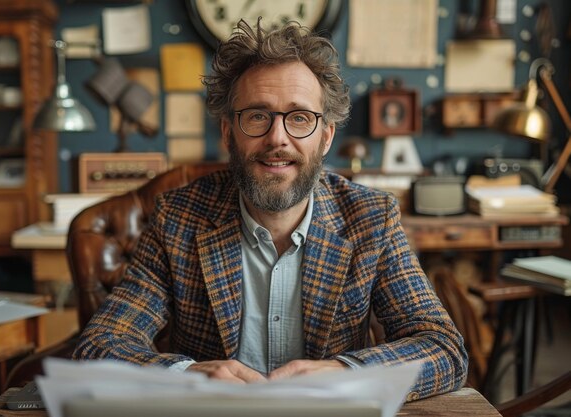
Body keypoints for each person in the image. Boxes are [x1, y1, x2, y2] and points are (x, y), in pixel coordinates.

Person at [73, 19, 467, 399]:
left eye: (299, 118)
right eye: (258, 116)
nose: (277, 138)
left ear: (325, 137)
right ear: (229, 133)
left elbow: (443, 350)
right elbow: (100, 345)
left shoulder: (370, 219)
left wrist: (346, 371)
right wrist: (185, 375)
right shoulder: (177, 218)